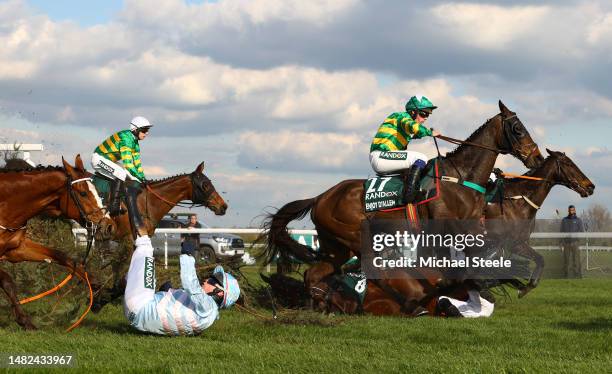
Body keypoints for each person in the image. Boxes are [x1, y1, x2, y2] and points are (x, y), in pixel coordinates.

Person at [123, 236, 240, 336]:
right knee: (135, 272)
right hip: (137, 319)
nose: (207, 280)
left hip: (140, 305)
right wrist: (167, 292)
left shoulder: (209, 307)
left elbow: (191, 285)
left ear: (219, 293)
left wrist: (187, 255)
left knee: (145, 244)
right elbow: (178, 314)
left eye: (212, 280)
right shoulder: (207, 318)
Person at [370, 95, 440, 203]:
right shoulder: (400, 116)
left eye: (427, 115)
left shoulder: (405, 129)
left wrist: (428, 134)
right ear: (412, 112)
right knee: (420, 158)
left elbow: (414, 133)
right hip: (381, 156)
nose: (425, 118)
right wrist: (429, 132)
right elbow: (412, 126)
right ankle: (410, 196)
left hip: (385, 158)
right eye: (423, 114)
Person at [91, 116, 152, 234]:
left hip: (108, 160)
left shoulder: (135, 142)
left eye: (147, 130)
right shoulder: (126, 138)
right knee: (122, 173)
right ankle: (113, 205)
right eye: (144, 130)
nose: (147, 133)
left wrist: (143, 177)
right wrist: (138, 178)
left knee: (127, 175)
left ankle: (113, 199)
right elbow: (128, 164)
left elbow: (137, 164)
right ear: (136, 129)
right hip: (98, 159)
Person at [560, 205, 584, 278]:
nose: (571, 211)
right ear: (568, 211)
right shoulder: (564, 220)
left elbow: (582, 231)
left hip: (575, 243)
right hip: (566, 243)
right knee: (566, 261)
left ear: (575, 211)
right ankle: (565, 276)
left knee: (576, 261)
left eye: (573, 210)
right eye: (570, 210)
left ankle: (577, 276)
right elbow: (561, 232)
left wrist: (579, 240)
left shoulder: (578, 220)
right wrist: (560, 243)